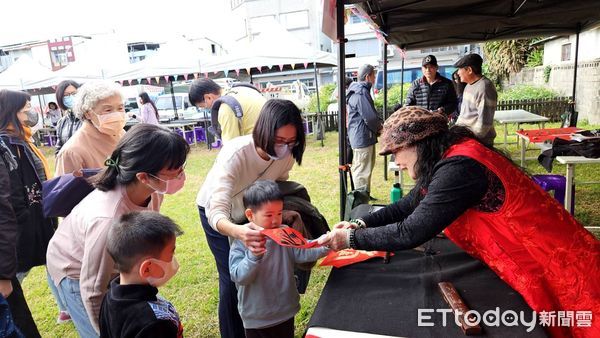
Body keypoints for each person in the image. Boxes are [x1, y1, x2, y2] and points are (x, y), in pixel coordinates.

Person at [319, 106, 600, 338]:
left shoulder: (460, 167)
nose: (396, 162)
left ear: (419, 144)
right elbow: (408, 205)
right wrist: (360, 225)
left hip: (560, 262)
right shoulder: (447, 158)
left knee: (580, 325)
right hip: (539, 257)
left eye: (396, 153)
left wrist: (350, 240)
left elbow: (412, 231)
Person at [46, 123, 189, 337]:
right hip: (75, 269)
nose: (181, 176)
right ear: (143, 176)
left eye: (181, 168)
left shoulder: (153, 189)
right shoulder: (107, 219)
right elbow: (93, 290)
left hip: (111, 261)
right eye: (174, 171)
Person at [196, 99, 306, 338]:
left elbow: (275, 184)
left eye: (291, 141)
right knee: (232, 278)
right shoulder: (236, 153)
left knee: (260, 267)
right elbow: (217, 211)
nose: (285, 147)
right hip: (217, 213)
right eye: (279, 141)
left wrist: (275, 214)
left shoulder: (286, 155)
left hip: (249, 211)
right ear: (263, 131)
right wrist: (239, 232)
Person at [229, 180, 329, 338]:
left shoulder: (284, 232)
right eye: (268, 215)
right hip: (257, 317)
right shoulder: (242, 243)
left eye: (279, 213)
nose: (276, 220)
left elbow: (303, 250)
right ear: (250, 215)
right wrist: (253, 256)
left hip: (285, 311)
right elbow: (239, 277)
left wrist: (327, 244)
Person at [0, 89, 58, 337]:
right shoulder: (5, 145)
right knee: (14, 278)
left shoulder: (20, 140)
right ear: (10, 112)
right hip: (18, 229)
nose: (30, 114)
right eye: (25, 109)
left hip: (34, 218)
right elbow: (9, 198)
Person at [100, 211, 184, 337]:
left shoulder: (111, 295)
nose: (174, 258)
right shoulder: (154, 325)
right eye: (172, 253)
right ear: (147, 269)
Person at [55, 80, 126, 176]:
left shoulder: (122, 134)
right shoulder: (72, 153)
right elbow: (67, 189)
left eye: (120, 108)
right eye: (108, 110)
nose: (116, 115)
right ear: (88, 113)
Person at [189, 78, 266, 143]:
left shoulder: (226, 107)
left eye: (203, 106)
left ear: (208, 97)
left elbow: (230, 147)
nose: (205, 109)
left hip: (260, 149)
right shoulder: (243, 89)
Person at [346, 64, 383, 197]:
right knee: (362, 171)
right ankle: (360, 199)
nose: (374, 79)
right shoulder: (361, 92)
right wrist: (380, 129)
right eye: (373, 75)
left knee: (365, 168)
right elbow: (370, 117)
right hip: (362, 138)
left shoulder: (359, 90)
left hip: (363, 136)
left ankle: (364, 194)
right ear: (367, 76)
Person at [453, 53, 498, 146]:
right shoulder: (469, 85)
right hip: (466, 138)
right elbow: (463, 115)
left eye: (460, 69)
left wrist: (471, 142)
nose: (457, 73)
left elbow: (483, 125)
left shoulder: (485, 87)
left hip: (478, 142)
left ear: (469, 70)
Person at [54, 80, 82, 154]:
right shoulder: (62, 122)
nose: (70, 97)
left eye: (74, 93)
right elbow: (59, 148)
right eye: (66, 95)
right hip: (68, 164)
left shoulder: (89, 118)